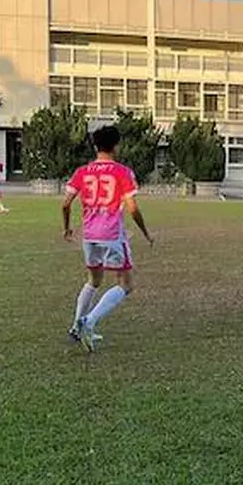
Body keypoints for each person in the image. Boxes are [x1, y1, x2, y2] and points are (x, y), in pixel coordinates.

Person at [62, 125, 155, 352]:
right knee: (126, 284)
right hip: (112, 235)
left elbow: (65, 204)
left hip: (89, 235)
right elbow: (132, 208)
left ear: (95, 146)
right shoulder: (122, 172)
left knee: (93, 280)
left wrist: (67, 229)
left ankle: (76, 326)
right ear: (116, 145)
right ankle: (88, 321)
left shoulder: (82, 172)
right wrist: (145, 232)